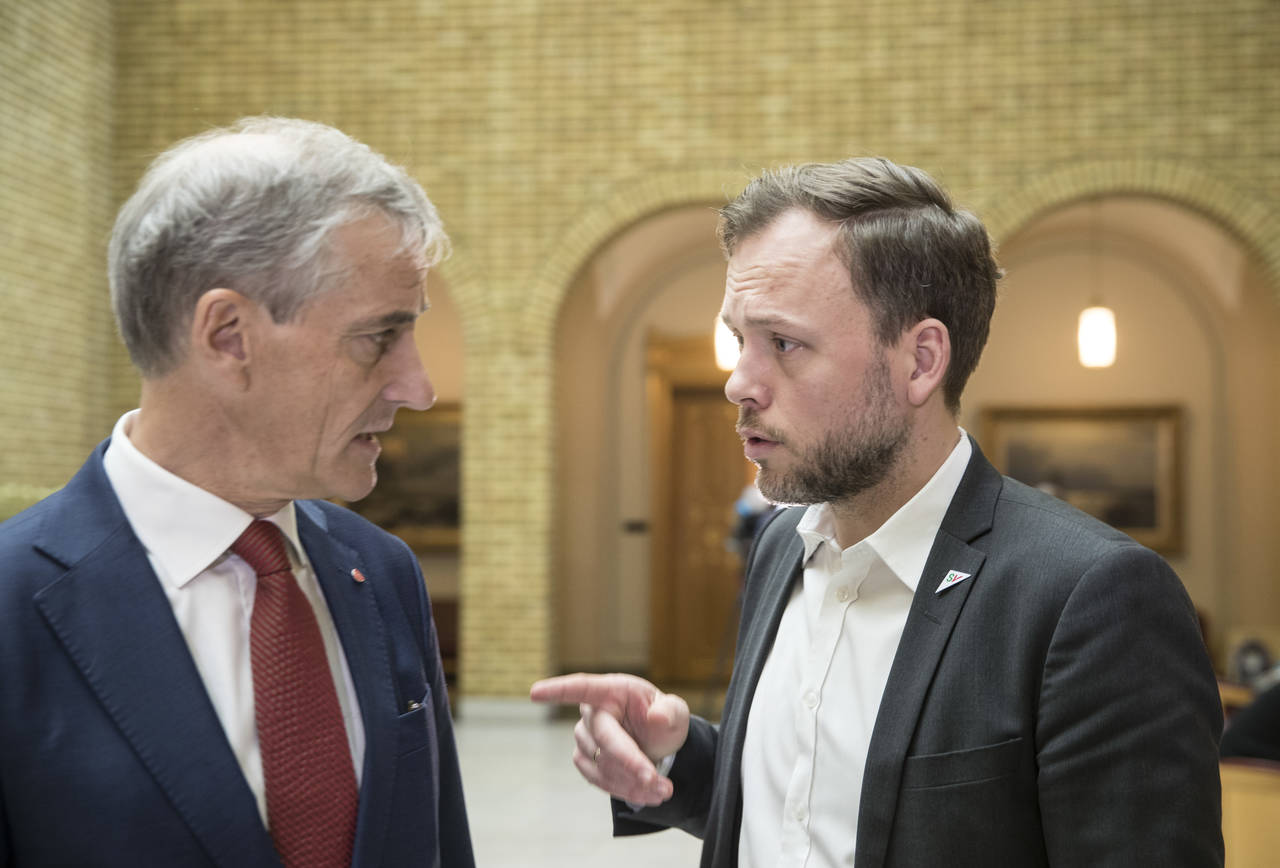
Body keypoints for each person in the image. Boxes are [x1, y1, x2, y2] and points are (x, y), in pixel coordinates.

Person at [532, 157, 1223, 866]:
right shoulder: (783, 546)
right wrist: (675, 757)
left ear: (921, 361)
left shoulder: (1091, 599)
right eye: (740, 340)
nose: (738, 380)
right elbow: (811, 815)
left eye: (785, 343)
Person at [0, 117, 474, 868]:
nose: (418, 387)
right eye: (380, 338)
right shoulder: (12, 602)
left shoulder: (379, 571)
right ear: (228, 336)